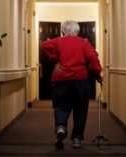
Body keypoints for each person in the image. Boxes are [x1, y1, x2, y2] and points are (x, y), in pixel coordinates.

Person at [41, 20, 103, 149]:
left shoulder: (57, 41)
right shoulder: (84, 43)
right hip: (80, 79)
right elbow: (92, 58)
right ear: (78, 31)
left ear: (63, 31)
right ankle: (77, 138)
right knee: (80, 108)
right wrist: (97, 75)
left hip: (60, 79)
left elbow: (45, 45)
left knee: (60, 104)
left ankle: (61, 127)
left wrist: (55, 61)